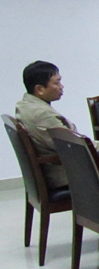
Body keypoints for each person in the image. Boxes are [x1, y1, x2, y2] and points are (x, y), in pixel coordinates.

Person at [15, 61, 78, 189]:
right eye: (56, 83)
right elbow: (74, 146)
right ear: (40, 89)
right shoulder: (41, 114)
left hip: (56, 168)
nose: (61, 86)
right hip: (65, 174)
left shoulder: (24, 105)